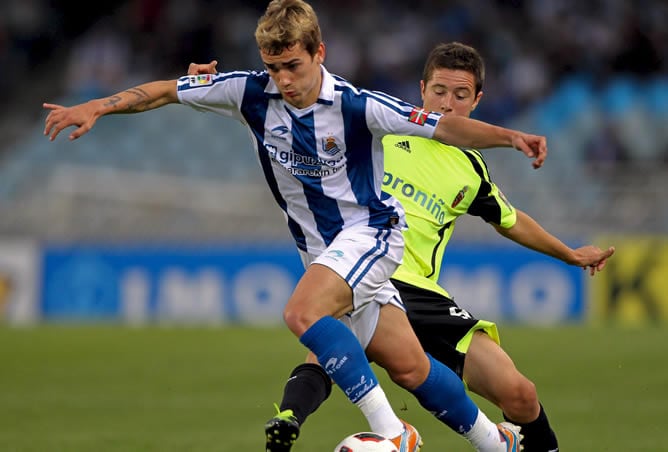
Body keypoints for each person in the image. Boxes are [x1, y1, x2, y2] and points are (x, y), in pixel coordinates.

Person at [44, 2, 547, 451]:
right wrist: (97, 106)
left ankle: (395, 433)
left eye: (293, 66)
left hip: (370, 233)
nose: (284, 79)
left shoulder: (356, 105)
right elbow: (164, 92)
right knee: (411, 367)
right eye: (274, 67)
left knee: (301, 312)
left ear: (319, 52)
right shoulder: (248, 93)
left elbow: (444, 125)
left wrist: (510, 136)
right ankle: (497, 441)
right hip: (325, 252)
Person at [185, 41, 612, 452]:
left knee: (520, 394)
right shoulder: (378, 129)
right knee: (327, 350)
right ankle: (291, 417)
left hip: (423, 295)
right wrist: (212, 85)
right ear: (422, 90)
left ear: (477, 100)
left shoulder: (471, 169)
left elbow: (512, 221)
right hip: (364, 270)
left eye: (460, 95)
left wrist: (571, 254)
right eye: (439, 91)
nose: (447, 104)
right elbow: (299, 98)